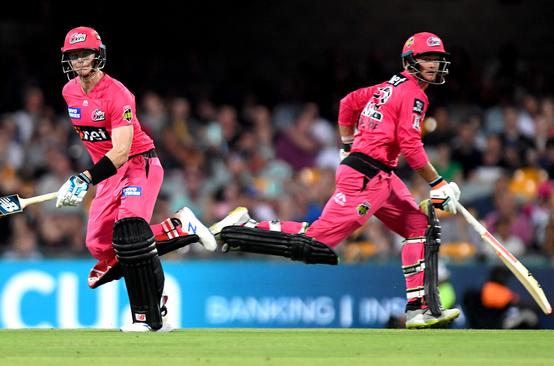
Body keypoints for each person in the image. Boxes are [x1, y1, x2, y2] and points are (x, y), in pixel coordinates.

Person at [210, 32, 461, 329]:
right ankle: (245, 227)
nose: (434, 65)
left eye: (437, 59)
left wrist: (346, 146)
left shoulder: (386, 87)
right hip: (367, 175)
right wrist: (437, 183)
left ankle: (419, 309)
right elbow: (410, 145)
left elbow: (347, 103)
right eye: (427, 58)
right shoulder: (414, 95)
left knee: (419, 226)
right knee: (317, 241)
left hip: (378, 173)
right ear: (411, 61)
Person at [56, 26, 217, 332]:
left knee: (130, 233)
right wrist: (93, 179)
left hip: (137, 164)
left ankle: (146, 317)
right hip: (107, 177)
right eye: (73, 55)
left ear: (97, 55)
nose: (79, 61)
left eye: (84, 53)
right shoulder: (69, 92)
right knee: (101, 247)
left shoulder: (119, 95)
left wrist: (83, 179)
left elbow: (120, 151)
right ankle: (179, 229)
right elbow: (95, 144)